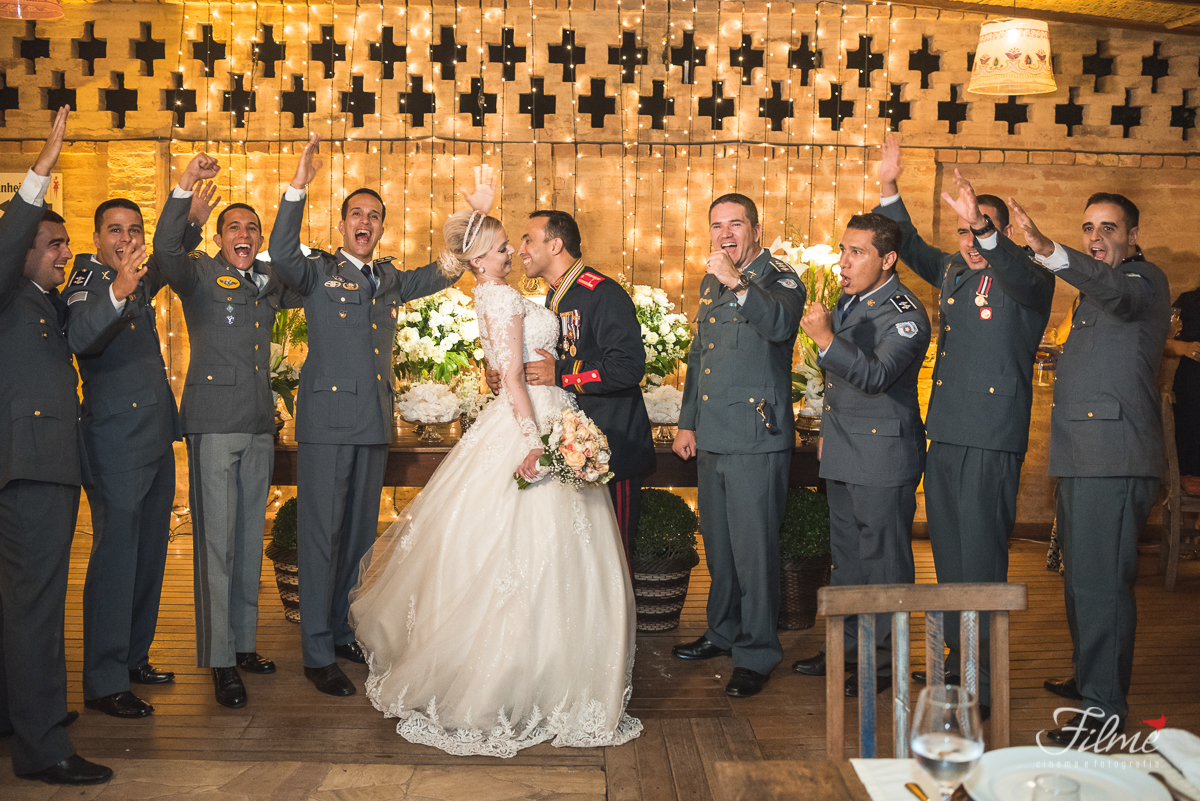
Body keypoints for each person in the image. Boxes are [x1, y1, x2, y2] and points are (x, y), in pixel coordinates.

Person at [348, 207, 641, 756]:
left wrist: (524, 381)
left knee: (538, 548)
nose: (513, 252)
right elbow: (513, 376)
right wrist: (533, 438)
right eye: (505, 245)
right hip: (531, 422)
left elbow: (521, 364)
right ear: (480, 257)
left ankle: (540, 671)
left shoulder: (513, 294)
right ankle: (531, 677)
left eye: (519, 242)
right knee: (538, 549)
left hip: (544, 411)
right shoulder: (502, 296)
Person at [268, 135, 490, 697]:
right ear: (342, 225)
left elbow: (444, 271)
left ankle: (341, 629)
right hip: (326, 426)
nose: (364, 222)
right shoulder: (317, 273)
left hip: (371, 424)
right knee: (321, 537)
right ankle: (317, 651)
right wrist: (298, 185)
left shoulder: (387, 278)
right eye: (356, 215)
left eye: (373, 216)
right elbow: (282, 253)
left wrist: (473, 219)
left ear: (382, 228)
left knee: (358, 537)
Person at [874, 137, 1054, 713]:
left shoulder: (1029, 278)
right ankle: (957, 663)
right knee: (949, 558)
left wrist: (982, 224)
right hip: (947, 430)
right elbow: (910, 246)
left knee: (981, 560)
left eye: (981, 230)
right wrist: (888, 186)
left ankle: (984, 678)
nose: (971, 242)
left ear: (1002, 233)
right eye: (964, 232)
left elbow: (1016, 270)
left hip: (990, 435)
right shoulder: (954, 268)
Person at [1001, 192, 1170, 747]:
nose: (1097, 237)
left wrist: (1049, 249)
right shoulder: (1096, 290)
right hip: (1082, 454)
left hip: (1113, 456)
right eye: (1088, 227)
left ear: (1133, 235)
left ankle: (1104, 712)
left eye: (1109, 228)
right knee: (1080, 581)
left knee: (1102, 585)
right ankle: (1090, 677)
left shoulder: (1142, 280)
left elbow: (1117, 294)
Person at [152, 153, 302, 709]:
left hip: (259, 423)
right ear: (219, 238)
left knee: (246, 541)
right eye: (234, 227)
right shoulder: (196, 273)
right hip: (213, 424)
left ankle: (242, 644)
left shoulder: (268, 280)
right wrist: (184, 189)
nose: (244, 233)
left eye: (251, 228)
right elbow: (165, 250)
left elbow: (304, 278)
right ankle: (219, 659)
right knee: (216, 543)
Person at [63, 189, 213, 719]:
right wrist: (118, 290)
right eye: (115, 230)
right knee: (116, 562)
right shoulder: (87, 282)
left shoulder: (134, 276)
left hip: (154, 437)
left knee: (149, 556)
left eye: (134, 230)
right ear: (97, 238)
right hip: (116, 445)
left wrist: (190, 224)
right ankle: (104, 682)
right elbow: (79, 338)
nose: (126, 239)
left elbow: (167, 263)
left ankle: (133, 658)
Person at [0, 107, 112, 785]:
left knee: (18, 604)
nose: (64, 253)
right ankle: (43, 748)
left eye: (67, 244)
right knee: (36, 609)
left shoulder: (45, 302)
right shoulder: (8, 291)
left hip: (42, 466)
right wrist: (40, 169)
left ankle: (20, 714)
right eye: (52, 244)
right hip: (32, 469)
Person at [671, 193, 805, 698]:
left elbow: (781, 325)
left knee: (754, 553)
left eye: (735, 224)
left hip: (755, 435)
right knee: (721, 549)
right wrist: (688, 423)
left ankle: (757, 652)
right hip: (713, 434)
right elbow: (699, 356)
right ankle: (723, 632)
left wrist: (738, 282)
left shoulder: (780, 277)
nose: (725, 234)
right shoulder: (710, 281)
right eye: (716, 225)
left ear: (756, 228)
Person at [791, 213, 930, 697]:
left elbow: (875, 376)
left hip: (883, 454)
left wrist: (825, 339)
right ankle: (846, 650)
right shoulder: (848, 300)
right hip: (844, 448)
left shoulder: (905, 314)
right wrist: (828, 434)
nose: (843, 262)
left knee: (884, 563)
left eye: (857, 252)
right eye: (843, 250)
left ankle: (884, 664)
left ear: (888, 259)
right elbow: (839, 386)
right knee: (848, 560)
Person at [504, 210, 654, 567]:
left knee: (614, 559)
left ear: (555, 245)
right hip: (574, 446)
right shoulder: (557, 295)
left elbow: (629, 367)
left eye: (528, 240)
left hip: (612, 445)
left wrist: (562, 374)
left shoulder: (601, 293)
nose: (520, 249)